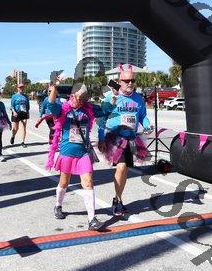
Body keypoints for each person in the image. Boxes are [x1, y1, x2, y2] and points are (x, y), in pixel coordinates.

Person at [46, 76, 116, 231]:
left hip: (83, 152)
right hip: (67, 151)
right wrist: (55, 87)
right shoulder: (63, 109)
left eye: (85, 98)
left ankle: (92, 220)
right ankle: (58, 205)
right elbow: (51, 104)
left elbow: (106, 110)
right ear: (72, 96)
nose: (83, 101)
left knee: (88, 183)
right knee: (64, 182)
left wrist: (113, 97)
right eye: (80, 98)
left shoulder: (88, 108)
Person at [98, 64, 153, 217]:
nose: (130, 83)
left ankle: (118, 199)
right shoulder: (112, 97)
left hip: (131, 138)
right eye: (126, 81)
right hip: (115, 137)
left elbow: (142, 116)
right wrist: (101, 137)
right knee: (121, 167)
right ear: (119, 82)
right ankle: (118, 201)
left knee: (125, 170)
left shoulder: (138, 98)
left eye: (132, 81)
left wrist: (147, 125)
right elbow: (102, 118)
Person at [10, 83, 30, 147]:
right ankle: (13, 136)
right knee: (16, 128)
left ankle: (23, 142)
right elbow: (12, 106)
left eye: (22, 87)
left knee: (24, 126)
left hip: (24, 112)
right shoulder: (14, 96)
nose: (21, 89)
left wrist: (28, 113)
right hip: (16, 113)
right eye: (20, 87)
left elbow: (27, 106)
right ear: (17, 88)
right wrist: (14, 112)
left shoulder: (26, 96)